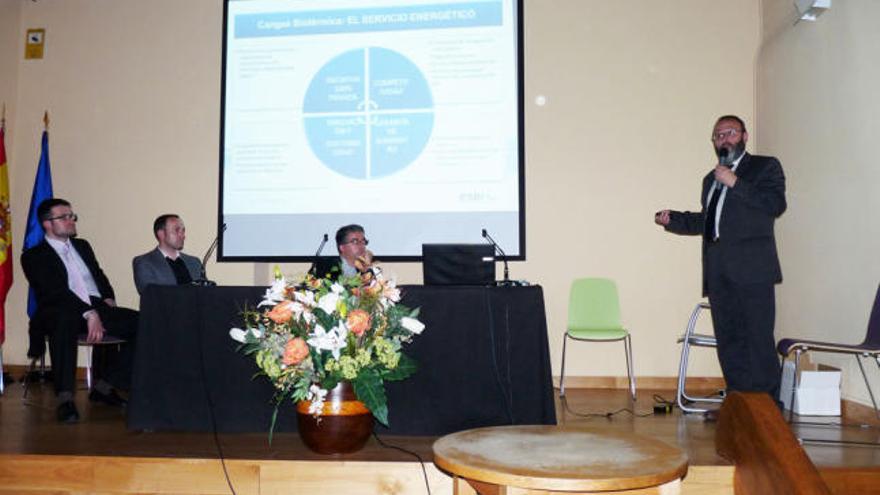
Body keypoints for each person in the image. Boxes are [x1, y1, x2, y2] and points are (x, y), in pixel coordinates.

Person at [655, 115, 787, 407]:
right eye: (717, 136)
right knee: (729, 343)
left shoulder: (765, 166)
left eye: (730, 133)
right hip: (718, 273)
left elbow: (774, 205)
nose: (723, 139)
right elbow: (709, 221)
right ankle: (740, 406)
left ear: (744, 136)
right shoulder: (709, 179)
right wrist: (673, 220)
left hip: (753, 272)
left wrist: (735, 182)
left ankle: (768, 411)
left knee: (757, 340)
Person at [21, 198, 138, 423]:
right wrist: (88, 313)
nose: (71, 220)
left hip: (95, 304)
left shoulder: (83, 246)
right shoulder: (34, 256)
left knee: (146, 323)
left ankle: (105, 387)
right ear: (47, 223)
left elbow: (98, 275)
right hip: (60, 308)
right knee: (62, 321)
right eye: (64, 217)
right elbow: (54, 292)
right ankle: (65, 399)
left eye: (72, 216)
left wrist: (108, 298)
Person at [132, 214, 203, 295]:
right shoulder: (145, 263)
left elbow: (205, 294)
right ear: (161, 234)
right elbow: (150, 296)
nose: (182, 235)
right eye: (177, 230)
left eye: (183, 231)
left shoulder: (194, 262)